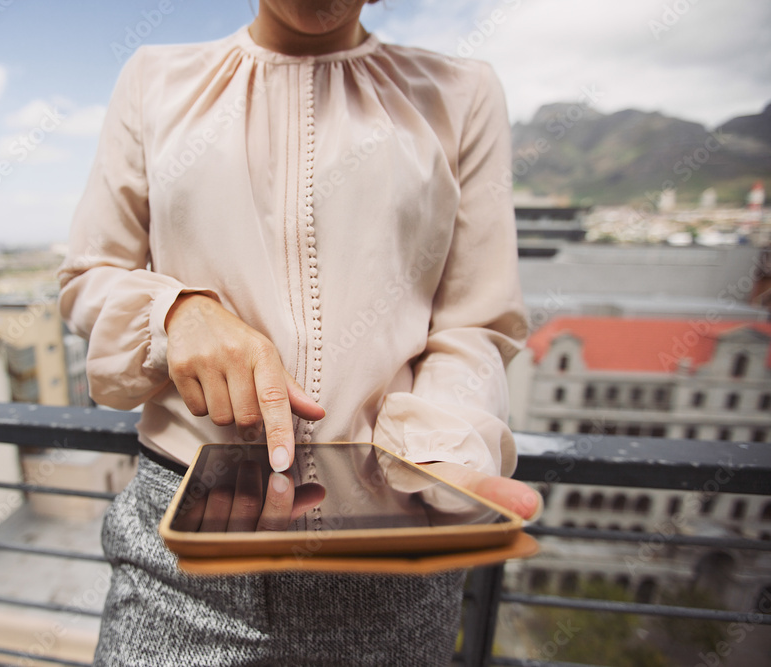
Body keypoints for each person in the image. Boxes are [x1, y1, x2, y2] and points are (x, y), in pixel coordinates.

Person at [58, 1, 542, 664]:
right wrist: (176, 312)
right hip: (186, 549)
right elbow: (91, 273)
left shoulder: (464, 92)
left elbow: (475, 320)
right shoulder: (152, 78)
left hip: (390, 552)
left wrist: (442, 445)